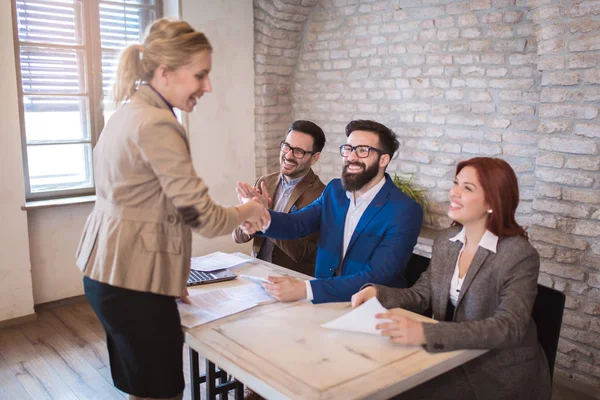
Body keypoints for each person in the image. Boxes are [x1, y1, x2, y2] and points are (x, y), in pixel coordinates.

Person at [75, 19, 269, 400]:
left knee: (145, 389)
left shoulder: (126, 113)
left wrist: (167, 274)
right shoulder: (158, 123)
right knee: (161, 393)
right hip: (133, 284)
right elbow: (202, 216)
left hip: (113, 273)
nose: (208, 86)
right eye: (201, 75)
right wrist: (249, 208)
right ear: (165, 72)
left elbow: (147, 207)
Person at [351, 157, 551, 400]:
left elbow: (510, 326)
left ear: (493, 201)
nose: (453, 192)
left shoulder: (517, 254)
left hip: (497, 374)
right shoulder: (447, 241)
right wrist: (378, 293)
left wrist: (427, 333)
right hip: (451, 357)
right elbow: (423, 293)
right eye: (456, 183)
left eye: (467, 188)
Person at [242, 120, 423, 304]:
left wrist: (305, 289)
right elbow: (297, 224)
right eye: (348, 149)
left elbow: (377, 276)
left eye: (362, 150)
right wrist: (259, 217)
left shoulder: (404, 210)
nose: (351, 157)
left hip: (371, 308)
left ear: (383, 160)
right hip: (324, 302)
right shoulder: (334, 190)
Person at [232, 120, 326, 276]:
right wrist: (247, 215)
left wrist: (265, 215)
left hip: (290, 280)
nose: (288, 155)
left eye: (299, 151)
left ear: (314, 158)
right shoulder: (264, 182)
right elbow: (237, 236)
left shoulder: (321, 195)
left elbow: (300, 253)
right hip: (256, 273)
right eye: (287, 146)